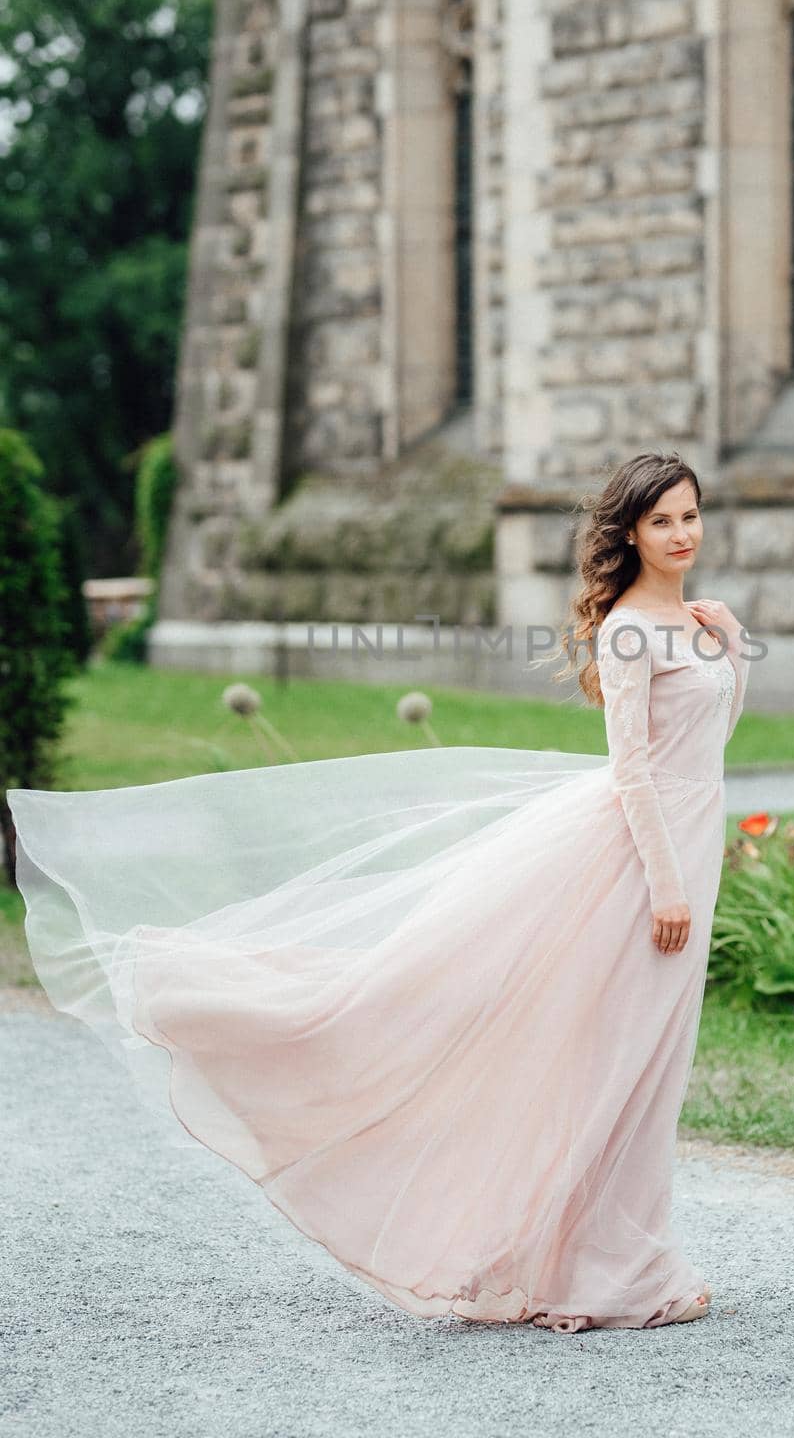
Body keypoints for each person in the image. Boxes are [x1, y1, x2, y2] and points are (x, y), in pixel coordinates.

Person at [8, 450, 752, 1333]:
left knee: (651, 1064)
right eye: (661, 519)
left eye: (689, 517)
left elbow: (707, 745)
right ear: (629, 532)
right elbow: (633, 770)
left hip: (684, 844)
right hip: (638, 861)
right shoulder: (630, 630)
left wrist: (731, 646)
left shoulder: (697, 622)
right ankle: (604, 1269)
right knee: (614, 1058)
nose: (679, 534)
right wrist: (666, 888)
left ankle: (613, 1256)